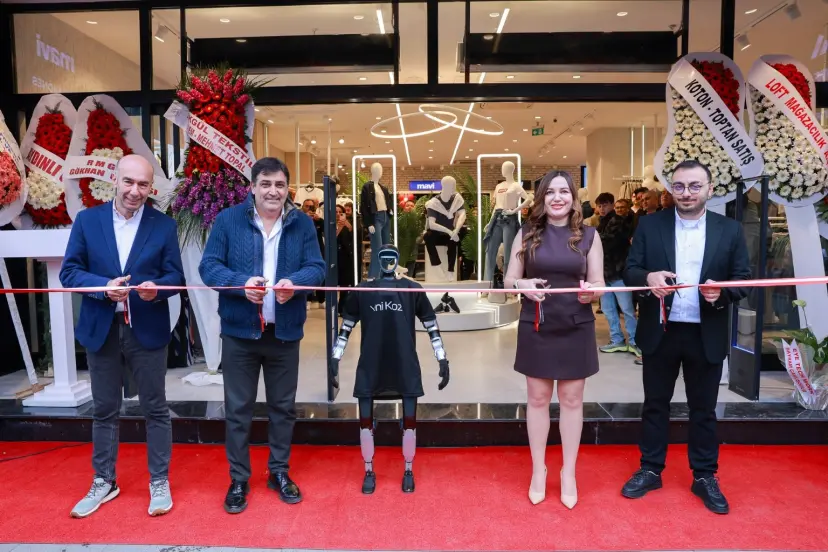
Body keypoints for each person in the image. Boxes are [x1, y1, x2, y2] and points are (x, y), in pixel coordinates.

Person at [621, 159, 751, 514]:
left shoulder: (730, 230)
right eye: (679, 186)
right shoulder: (650, 224)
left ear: (710, 189)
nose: (686, 193)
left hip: (706, 331)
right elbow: (630, 269)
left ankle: (705, 475)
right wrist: (647, 278)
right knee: (655, 404)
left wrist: (721, 292)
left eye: (695, 186)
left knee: (704, 409)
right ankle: (650, 469)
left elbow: (743, 279)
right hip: (660, 330)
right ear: (670, 190)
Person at [198, 157, 326, 514]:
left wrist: (296, 284)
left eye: (280, 185)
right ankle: (239, 478)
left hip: (284, 333)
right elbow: (209, 267)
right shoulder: (227, 220)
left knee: (283, 408)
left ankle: (279, 472)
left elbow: (317, 267)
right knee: (238, 409)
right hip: (240, 334)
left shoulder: (302, 223)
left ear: (288, 189)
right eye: (266, 184)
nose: (273, 191)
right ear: (252, 187)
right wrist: (239, 284)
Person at [60, 154, 185, 518]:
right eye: (128, 182)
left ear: (151, 187)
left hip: (146, 327)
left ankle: (159, 480)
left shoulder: (164, 225)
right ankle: (104, 480)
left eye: (143, 184)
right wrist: (103, 287)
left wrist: (156, 290)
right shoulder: (88, 221)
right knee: (104, 408)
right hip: (102, 328)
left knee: (155, 407)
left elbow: (175, 277)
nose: (134, 191)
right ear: (115, 180)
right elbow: (70, 273)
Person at [504, 170, 605, 509]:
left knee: (572, 400)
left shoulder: (589, 235)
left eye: (564, 191)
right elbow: (509, 281)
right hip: (537, 323)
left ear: (574, 199)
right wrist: (523, 285)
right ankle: (538, 470)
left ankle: (569, 473)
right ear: (541, 199)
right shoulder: (526, 233)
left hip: (576, 324)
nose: (557, 198)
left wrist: (591, 293)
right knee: (537, 398)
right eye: (550, 192)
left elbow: (599, 283)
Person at [330, 244, 450, 494]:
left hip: (404, 363)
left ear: (397, 260)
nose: (387, 263)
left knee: (410, 423)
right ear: (377, 260)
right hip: (371, 364)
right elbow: (346, 327)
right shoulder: (363, 290)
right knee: (365, 423)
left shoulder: (411, 289)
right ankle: (368, 470)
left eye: (391, 258)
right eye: (383, 258)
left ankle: (408, 469)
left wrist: (442, 358)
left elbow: (431, 324)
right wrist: (335, 357)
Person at [594, 192, 639, 358]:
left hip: (618, 273)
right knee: (608, 309)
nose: (602, 208)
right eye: (599, 205)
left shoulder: (618, 221)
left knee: (627, 310)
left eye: (605, 205)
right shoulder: (602, 222)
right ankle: (618, 339)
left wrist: (592, 237)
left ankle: (634, 341)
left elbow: (608, 242)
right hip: (605, 273)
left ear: (612, 205)